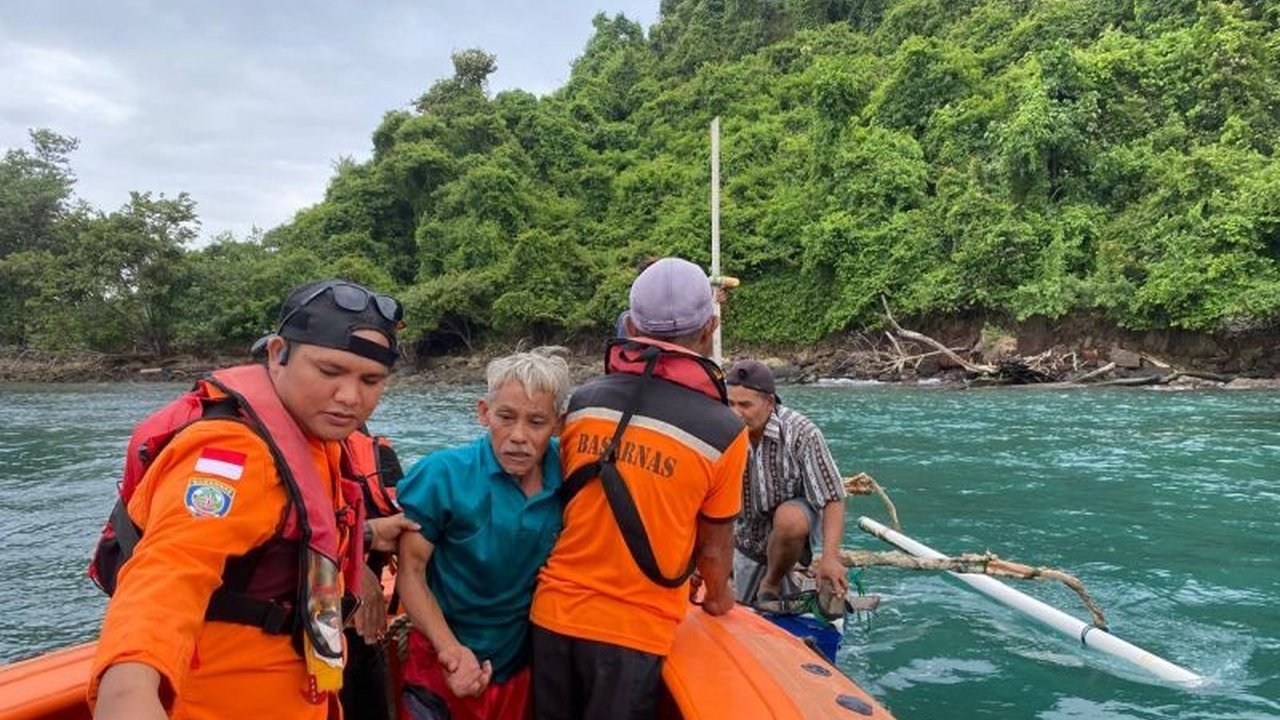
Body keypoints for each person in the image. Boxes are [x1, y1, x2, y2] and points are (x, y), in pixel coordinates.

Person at [89, 279, 410, 720]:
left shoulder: (316, 440)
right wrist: (128, 693)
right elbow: (168, 576)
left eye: (371, 379)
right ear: (278, 353)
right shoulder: (232, 455)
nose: (351, 397)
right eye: (329, 371)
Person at [530, 257, 750, 720]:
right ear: (710, 327)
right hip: (633, 634)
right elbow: (714, 550)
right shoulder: (725, 431)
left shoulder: (584, 403)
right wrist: (718, 599)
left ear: (629, 324)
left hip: (550, 617)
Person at [397, 348, 572, 720]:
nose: (519, 436)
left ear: (558, 424)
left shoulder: (573, 476)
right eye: (505, 417)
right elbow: (410, 572)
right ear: (483, 412)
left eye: (537, 422)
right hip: (438, 659)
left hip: (518, 665)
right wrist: (450, 650)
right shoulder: (441, 475)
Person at [724, 359, 849, 615]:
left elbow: (832, 498)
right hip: (742, 534)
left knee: (791, 519)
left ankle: (770, 584)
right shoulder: (720, 430)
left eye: (745, 405)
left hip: (790, 536)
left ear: (769, 403)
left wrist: (830, 558)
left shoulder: (801, 432)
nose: (736, 413)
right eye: (731, 404)